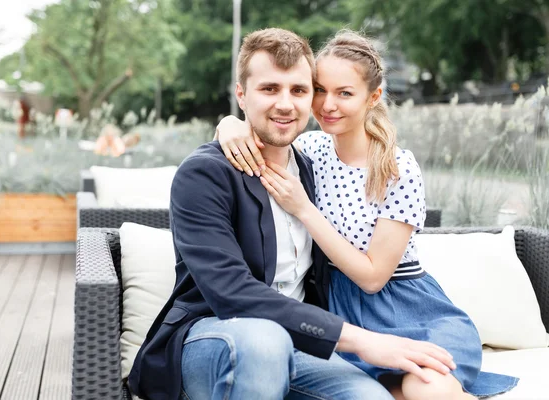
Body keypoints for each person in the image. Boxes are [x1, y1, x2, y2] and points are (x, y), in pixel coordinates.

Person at [128, 28, 456, 400]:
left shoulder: (313, 163)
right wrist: (359, 340)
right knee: (264, 341)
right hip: (217, 337)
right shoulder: (204, 174)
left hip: (301, 343)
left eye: (299, 90)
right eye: (269, 89)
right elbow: (232, 293)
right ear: (241, 94)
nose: (286, 104)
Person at [215, 29, 519, 399]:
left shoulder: (397, 169)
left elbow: (374, 277)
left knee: (427, 389)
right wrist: (229, 124)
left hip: (409, 310)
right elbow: (259, 126)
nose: (328, 105)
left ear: (373, 97)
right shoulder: (309, 149)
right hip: (342, 314)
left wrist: (304, 209)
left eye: (345, 93)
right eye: (320, 89)